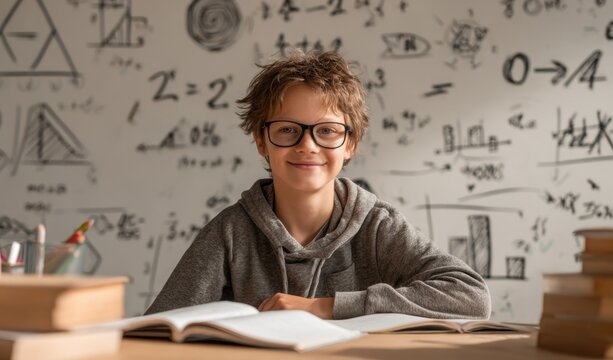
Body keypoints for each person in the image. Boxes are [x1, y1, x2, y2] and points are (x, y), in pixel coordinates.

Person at [146, 50, 491, 320]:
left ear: (350, 144)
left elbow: (471, 297)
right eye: (287, 129)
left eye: (327, 131)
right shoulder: (231, 233)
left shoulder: (377, 228)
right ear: (261, 140)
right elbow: (160, 325)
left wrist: (324, 307)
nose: (307, 145)